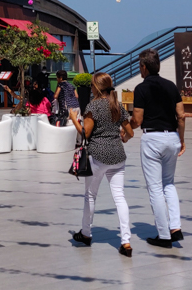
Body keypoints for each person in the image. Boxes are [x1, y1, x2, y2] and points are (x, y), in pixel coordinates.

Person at [71, 72, 134, 257]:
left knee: (90, 196)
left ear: (96, 88)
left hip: (98, 155)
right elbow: (129, 131)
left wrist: (74, 119)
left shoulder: (93, 106)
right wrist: (123, 137)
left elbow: (86, 133)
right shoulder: (117, 104)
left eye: (91, 85)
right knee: (120, 197)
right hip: (117, 156)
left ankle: (86, 233)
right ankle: (126, 241)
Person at [130, 49, 187, 250]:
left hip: (152, 138)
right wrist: (181, 139)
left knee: (155, 187)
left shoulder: (141, 89)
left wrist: (127, 126)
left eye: (140, 66)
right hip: (172, 137)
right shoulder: (171, 86)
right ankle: (175, 227)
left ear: (144, 67)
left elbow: (137, 120)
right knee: (168, 183)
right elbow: (181, 115)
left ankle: (163, 235)